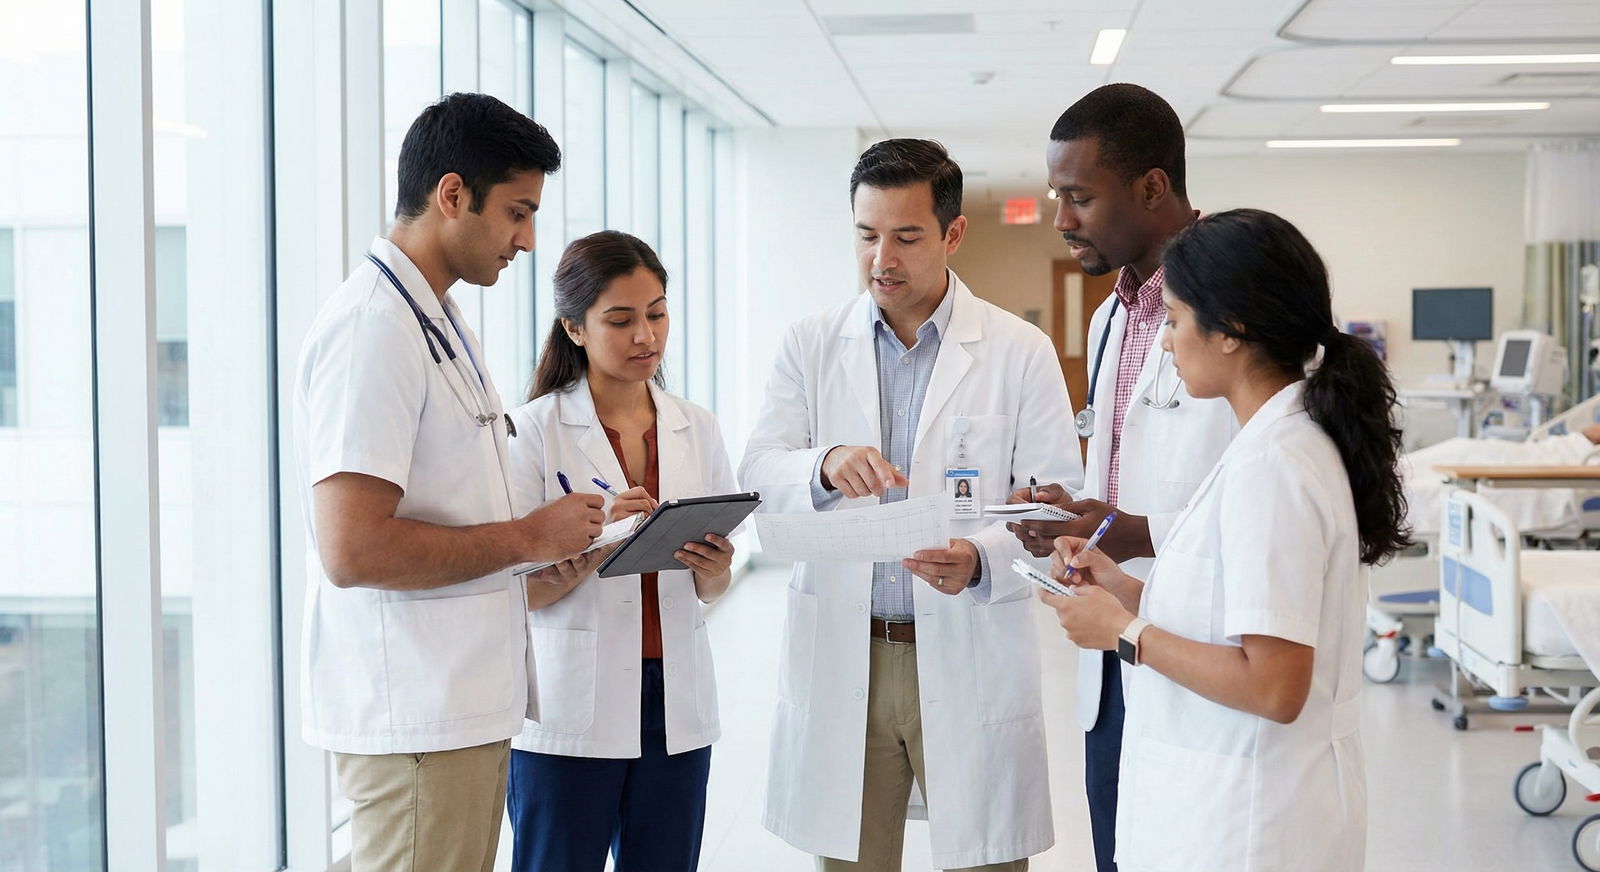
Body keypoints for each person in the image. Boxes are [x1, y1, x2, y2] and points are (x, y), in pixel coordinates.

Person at [740, 139, 1082, 871]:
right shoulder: (809, 344)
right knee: (853, 860)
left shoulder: (1019, 351)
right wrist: (824, 465)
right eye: (866, 235)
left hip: (967, 644)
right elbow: (759, 471)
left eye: (906, 237)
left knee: (985, 860)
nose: (881, 259)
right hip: (849, 650)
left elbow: (1059, 505)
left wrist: (981, 557)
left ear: (953, 235)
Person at [292, 93, 606, 872]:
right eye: (517, 212)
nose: (527, 241)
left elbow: (448, 501)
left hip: (455, 711)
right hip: (417, 723)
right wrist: (531, 537)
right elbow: (352, 548)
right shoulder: (374, 329)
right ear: (453, 195)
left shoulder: (432, 318)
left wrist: (544, 545)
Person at [1041, 208, 1409, 872]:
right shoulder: (1270, 445)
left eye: (1175, 319)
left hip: (1247, 826)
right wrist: (1122, 589)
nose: (1163, 343)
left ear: (1231, 331)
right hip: (1227, 808)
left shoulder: (1273, 467)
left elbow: (1275, 686)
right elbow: (1230, 609)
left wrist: (1125, 631)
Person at [1003, 83, 1237, 872]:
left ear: (1152, 188)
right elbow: (1123, 467)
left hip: (1204, 653)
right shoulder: (1111, 318)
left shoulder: (1236, 309)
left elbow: (1261, 490)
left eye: (1079, 197)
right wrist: (1077, 516)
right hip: (1112, 653)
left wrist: (1130, 530)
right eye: (1056, 197)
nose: (1062, 219)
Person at [502, 231, 738, 872]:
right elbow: (514, 588)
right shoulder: (532, 431)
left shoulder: (697, 426)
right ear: (574, 329)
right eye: (622, 320)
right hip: (571, 700)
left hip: (675, 703)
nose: (646, 337)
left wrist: (715, 572)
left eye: (657, 314)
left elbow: (711, 585)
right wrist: (594, 537)